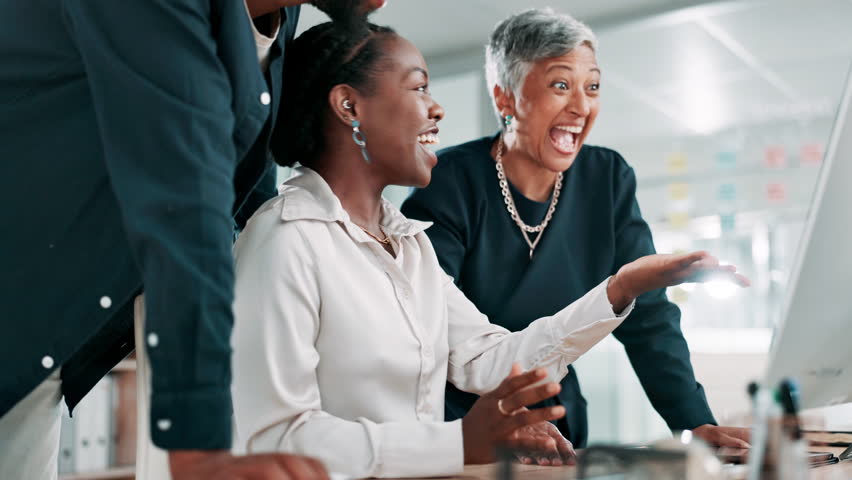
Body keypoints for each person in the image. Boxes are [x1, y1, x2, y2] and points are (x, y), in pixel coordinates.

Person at [229, 8, 750, 478]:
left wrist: (620, 289)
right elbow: (277, 438)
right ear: (348, 105)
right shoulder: (284, 240)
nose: (436, 111)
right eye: (417, 89)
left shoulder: (408, 245)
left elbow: (490, 357)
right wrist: (457, 441)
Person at [0, 1, 383, 479]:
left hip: (50, 307)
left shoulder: (274, 22)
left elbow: (239, 188)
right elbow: (185, 195)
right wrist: (199, 449)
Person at [400, 8, 753, 451]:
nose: (582, 105)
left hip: (559, 417)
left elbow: (648, 317)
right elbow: (428, 326)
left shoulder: (606, 178)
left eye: (593, 86)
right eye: (560, 85)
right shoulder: (449, 180)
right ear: (505, 97)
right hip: (468, 423)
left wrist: (693, 423)